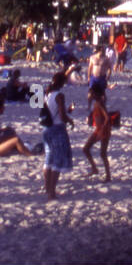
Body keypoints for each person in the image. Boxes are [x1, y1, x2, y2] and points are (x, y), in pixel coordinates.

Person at [42, 71, 74, 200]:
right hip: (58, 129)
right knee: (58, 160)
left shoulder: (46, 93)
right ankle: (52, 192)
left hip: (46, 128)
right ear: (62, 83)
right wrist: (70, 120)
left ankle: (47, 187)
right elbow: (61, 115)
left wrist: (66, 111)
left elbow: (44, 109)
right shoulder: (59, 95)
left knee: (48, 159)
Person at [83, 83, 112, 181]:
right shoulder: (97, 103)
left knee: (102, 153)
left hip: (103, 130)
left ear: (95, 94)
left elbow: (107, 117)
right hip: (99, 129)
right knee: (86, 149)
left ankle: (108, 176)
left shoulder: (99, 103)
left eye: (90, 93)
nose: (89, 95)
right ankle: (95, 168)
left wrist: (102, 130)